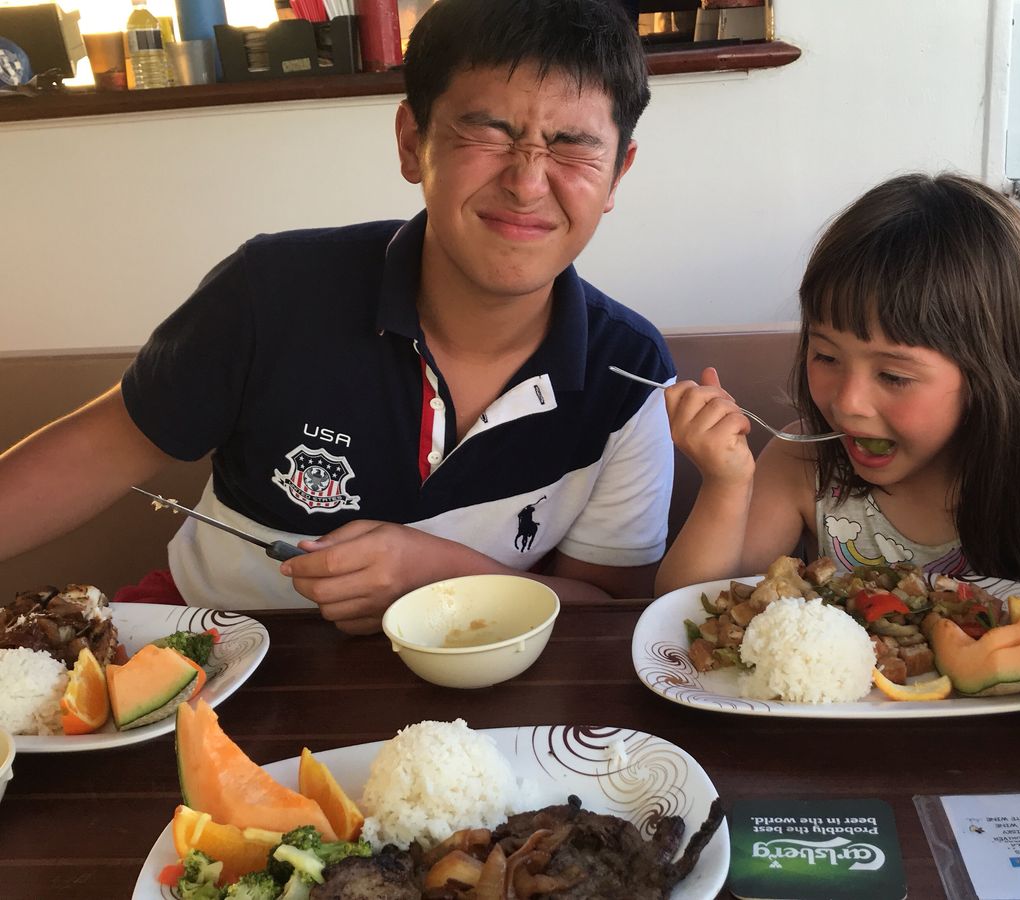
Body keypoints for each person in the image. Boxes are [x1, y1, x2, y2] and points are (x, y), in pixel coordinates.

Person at [0, 0, 675, 634]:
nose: (527, 183)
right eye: (488, 132)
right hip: (213, 641)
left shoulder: (631, 373)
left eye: (572, 145)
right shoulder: (271, 294)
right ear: (412, 141)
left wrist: (436, 574)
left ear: (617, 174)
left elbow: (606, 613)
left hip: (475, 673)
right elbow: (92, 455)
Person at [656, 173, 1020, 596]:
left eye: (893, 375)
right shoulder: (803, 464)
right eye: (826, 355)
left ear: (992, 373)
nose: (847, 402)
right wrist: (725, 483)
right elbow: (689, 612)